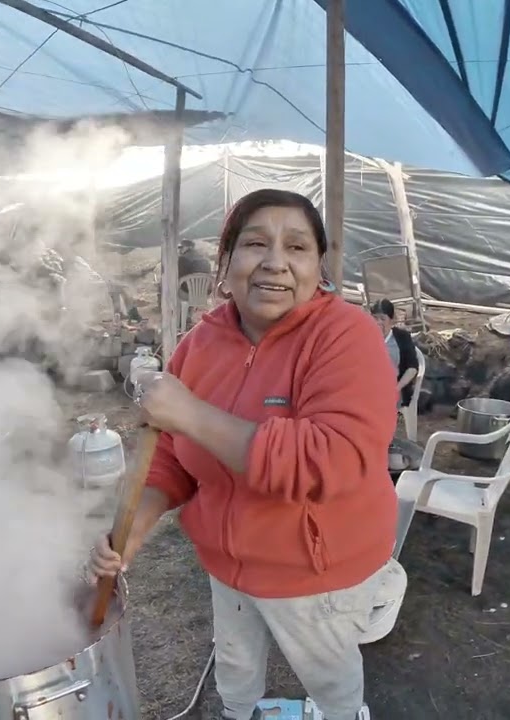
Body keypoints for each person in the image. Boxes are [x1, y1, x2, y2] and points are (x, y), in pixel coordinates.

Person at [89, 189, 398, 720]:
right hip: (227, 564)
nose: (275, 262)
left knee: (331, 682)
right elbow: (167, 453)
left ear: (317, 265)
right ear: (225, 261)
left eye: (297, 247)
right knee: (235, 668)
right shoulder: (201, 343)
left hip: (315, 570)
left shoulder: (347, 336)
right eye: (256, 243)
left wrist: (190, 413)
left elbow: (330, 460)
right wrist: (133, 528)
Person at [370, 299, 419, 408]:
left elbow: (412, 367)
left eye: (383, 319)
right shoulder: (366, 336)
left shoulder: (402, 337)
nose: (378, 322)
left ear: (392, 320)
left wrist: (396, 388)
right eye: (375, 318)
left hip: (394, 388)